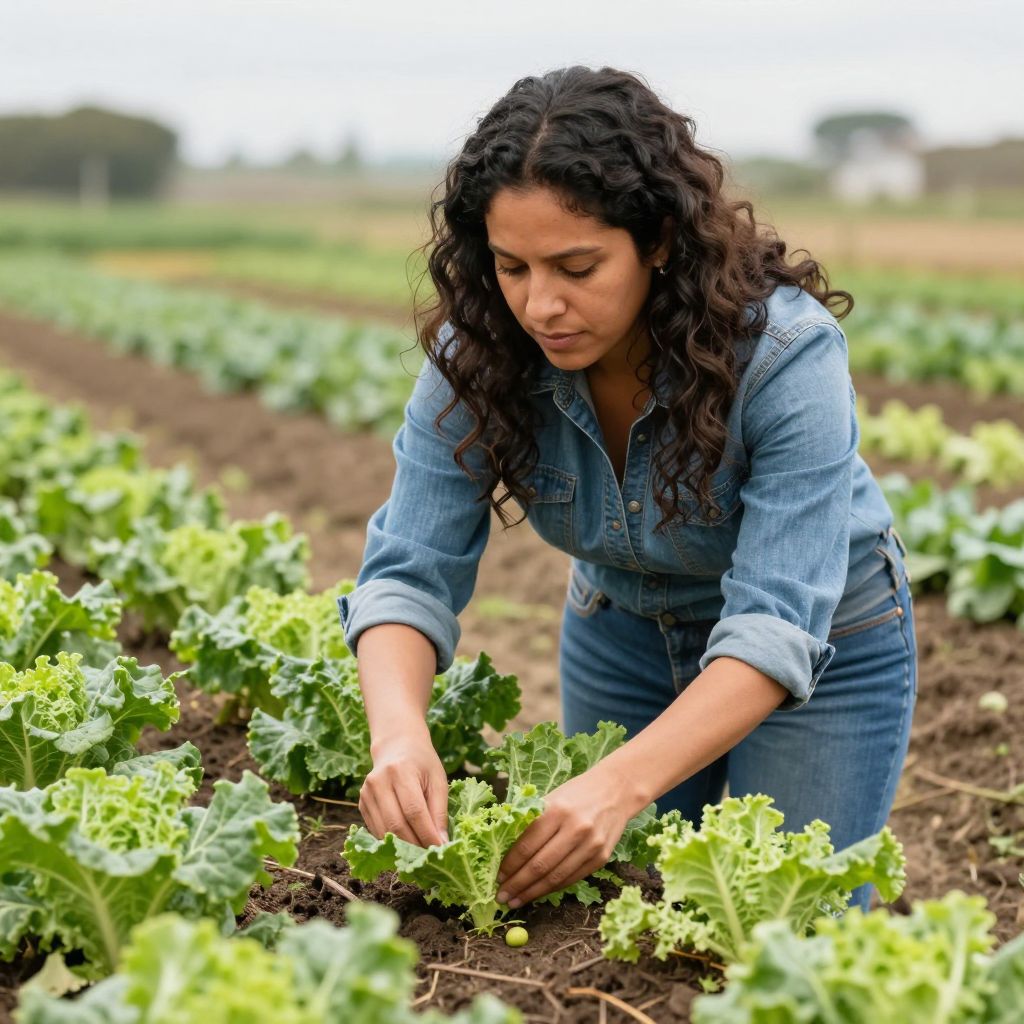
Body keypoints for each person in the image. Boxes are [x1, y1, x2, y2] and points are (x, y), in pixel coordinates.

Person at [338, 65, 917, 914]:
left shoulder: (787, 356)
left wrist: (617, 785)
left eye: (576, 267)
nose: (540, 304)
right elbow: (406, 571)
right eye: (511, 266)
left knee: (790, 931)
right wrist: (397, 738)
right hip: (622, 635)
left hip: (823, 649)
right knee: (628, 929)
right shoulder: (478, 353)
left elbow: (776, 625)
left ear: (659, 240)